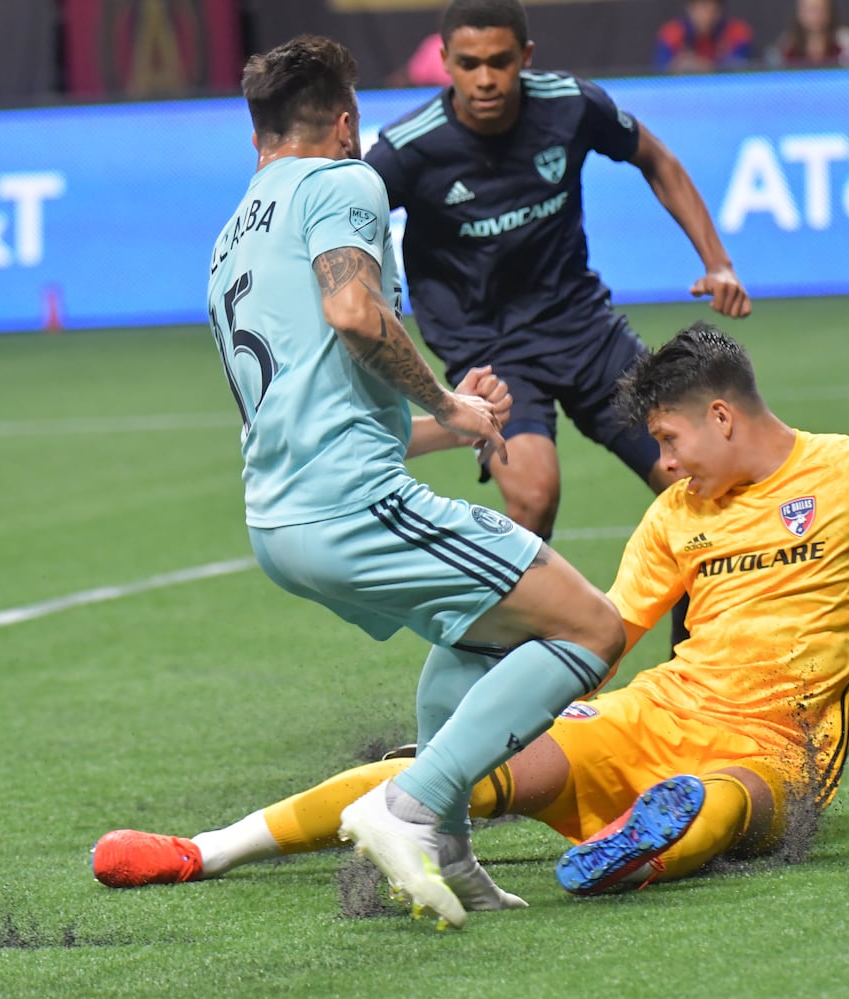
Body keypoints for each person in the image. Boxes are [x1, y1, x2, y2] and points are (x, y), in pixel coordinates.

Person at [92, 323, 849, 902]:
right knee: (442, 775)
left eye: (667, 441)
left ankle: (646, 839)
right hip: (648, 719)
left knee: (730, 804)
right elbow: (603, 642)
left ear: (719, 415)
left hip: (777, 752)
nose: (662, 465)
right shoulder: (676, 515)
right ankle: (201, 851)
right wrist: (485, 677)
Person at [180, 33, 635, 930]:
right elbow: (355, 315)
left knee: (472, 634)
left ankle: (449, 848)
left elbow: (317, 405)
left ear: (257, 137)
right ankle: (410, 804)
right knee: (590, 627)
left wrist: (440, 418)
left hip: (284, 520)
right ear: (345, 124)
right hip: (352, 508)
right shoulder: (343, 182)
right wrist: (451, 402)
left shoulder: (234, 235)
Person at [364, 0, 750, 647]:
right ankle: (499, 663)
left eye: (498, 62)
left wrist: (717, 262)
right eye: (467, 64)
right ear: (446, 63)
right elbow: (342, 232)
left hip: (585, 332)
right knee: (533, 495)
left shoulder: (570, 104)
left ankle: (695, 670)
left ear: (525, 58)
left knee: (696, 486)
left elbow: (654, 157)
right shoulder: (407, 152)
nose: (484, 78)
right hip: (489, 351)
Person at [654, 0, 757, 72]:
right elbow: (659, 72)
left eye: (713, 9)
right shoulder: (672, 33)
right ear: (691, 8)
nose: (708, 16)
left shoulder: (737, 32)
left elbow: (743, 70)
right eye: (703, 7)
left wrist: (704, 67)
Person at [770, 0, 849, 66]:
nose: (815, 16)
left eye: (820, 9)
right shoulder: (787, 46)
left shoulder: (844, 41)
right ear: (799, 12)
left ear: (829, 11)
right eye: (810, 10)